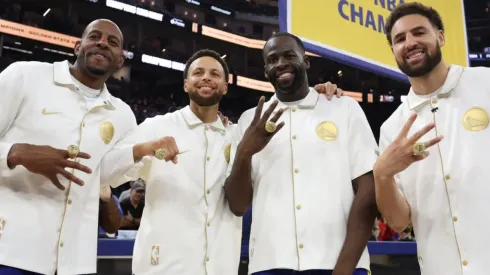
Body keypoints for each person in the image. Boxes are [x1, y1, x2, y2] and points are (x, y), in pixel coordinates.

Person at [109, 48, 342, 275]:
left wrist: (317, 94)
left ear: (225, 87)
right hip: (163, 266)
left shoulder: (237, 134)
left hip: (222, 266)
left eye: (215, 74)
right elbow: (106, 174)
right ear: (186, 84)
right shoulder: (156, 127)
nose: (206, 78)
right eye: (198, 73)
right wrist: (143, 149)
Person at [0, 19, 178, 275]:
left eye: (112, 42)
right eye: (94, 36)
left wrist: (143, 149)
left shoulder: (123, 115)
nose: (102, 42)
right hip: (10, 252)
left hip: (75, 262)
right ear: (77, 46)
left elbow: (104, 176)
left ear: (120, 59)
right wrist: (15, 153)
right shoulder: (25, 76)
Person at [224, 32, 379, 275]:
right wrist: (244, 152)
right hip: (269, 263)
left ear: (306, 61)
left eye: (289, 55)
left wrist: (345, 268)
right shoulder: (248, 120)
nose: (281, 63)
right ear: (266, 70)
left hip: (338, 263)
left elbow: (368, 189)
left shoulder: (343, 108)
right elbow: (237, 205)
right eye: (272, 59)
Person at [374, 2, 490, 274]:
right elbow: (400, 221)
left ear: (440, 36)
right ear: (393, 52)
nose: (410, 42)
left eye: (419, 32)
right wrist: (382, 175)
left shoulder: (485, 83)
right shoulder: (392, 128)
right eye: (400, 39)